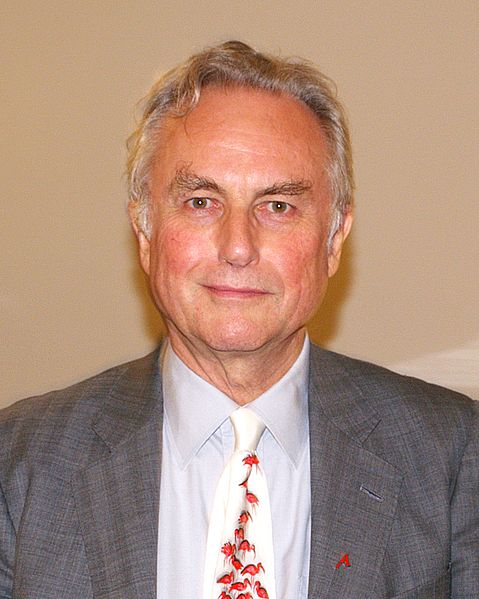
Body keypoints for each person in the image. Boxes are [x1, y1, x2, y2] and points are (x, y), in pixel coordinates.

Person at [0, 41, 477, 599]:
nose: (238, 247)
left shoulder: (455, 456)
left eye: (278, 206)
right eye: (201, 201)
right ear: (145, 232)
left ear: (334, 240)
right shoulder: (18, 462)